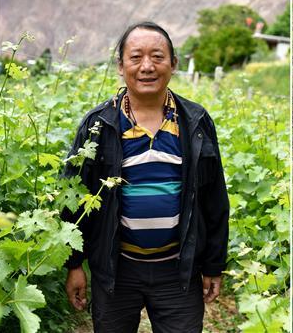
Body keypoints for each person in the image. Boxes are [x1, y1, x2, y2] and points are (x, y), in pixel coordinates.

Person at [60, 21, 229, 332]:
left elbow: (214, 197)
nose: (147, 67)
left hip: (178, 270)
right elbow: (75, 195)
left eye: (158, 57)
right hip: (116, 271)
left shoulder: (196, 121)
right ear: (121, 66)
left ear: (174, 64)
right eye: (136, 57)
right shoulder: (99, 125)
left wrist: (214, 265)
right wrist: (74, 264)